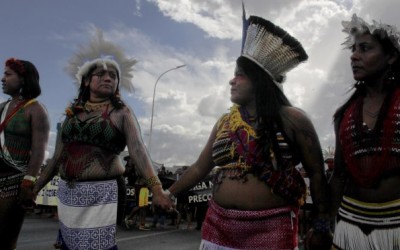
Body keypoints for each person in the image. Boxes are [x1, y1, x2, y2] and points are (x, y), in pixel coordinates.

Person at [162, 10, 332, 250]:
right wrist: (168, 193)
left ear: (259, 81)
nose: (232, 81)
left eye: (239, 76)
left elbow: (316, 173)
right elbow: (201, 167)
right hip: (217, 229)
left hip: (272, 231)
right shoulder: (224, 122)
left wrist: (323, 225)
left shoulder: (293, 119)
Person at [33, 30, 170, 250]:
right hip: (69, 195)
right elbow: (57, 157)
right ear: (86, 80)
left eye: (113, 76)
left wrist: (156, 189)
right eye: (101, 74)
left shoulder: (121, 112)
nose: (109, 78)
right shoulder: (70, 116)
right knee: (70, 246)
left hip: (103, 195)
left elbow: (137, 150)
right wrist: (35, 187)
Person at [330, 14, 400, 250]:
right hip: (350, 226)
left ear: (390, 56)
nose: (354, 56)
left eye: (365, 48)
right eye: (353, 49)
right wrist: (323, 223)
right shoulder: (344, 114)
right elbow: (339, 175)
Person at [0, 58, 50, 249]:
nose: (2, 78)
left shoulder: (36, 109)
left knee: (4, 240)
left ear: (23, 79)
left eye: (8, 74)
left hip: (13, 184)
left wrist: (28, 182)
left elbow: (39, 150)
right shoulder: (2, 108)